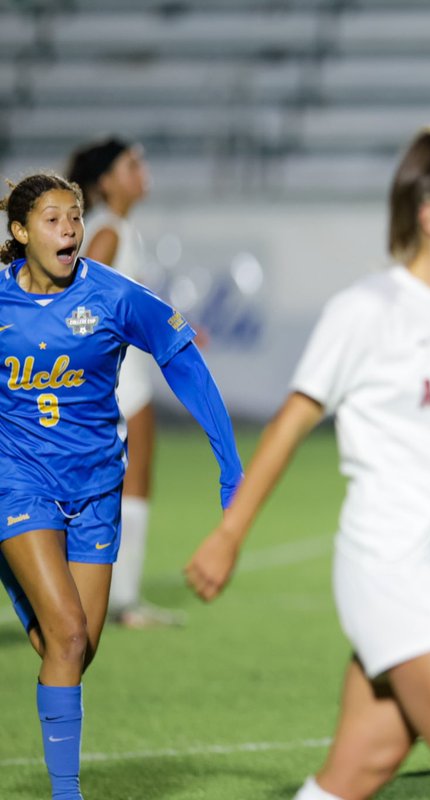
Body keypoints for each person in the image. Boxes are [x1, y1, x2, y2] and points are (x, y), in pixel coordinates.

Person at [184, 127, 430, 800]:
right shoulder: (369, 309)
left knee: (360, 768)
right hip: (398, 564)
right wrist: (229, 534)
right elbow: (291, 422)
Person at [0, 172, 242, 800]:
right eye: (54, 220)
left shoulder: (115, 296)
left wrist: (229, 463)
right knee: (69, 634)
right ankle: (66, 794)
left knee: (72, 648)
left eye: (75, 218)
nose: (71, 231)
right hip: (17, 481)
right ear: (21, 232)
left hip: (98, 488)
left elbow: (184, 358)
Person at [65, 136, 181, 629]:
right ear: (106, 181)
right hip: (117, 378)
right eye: (131, 164)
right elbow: (84, 309)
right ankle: (120, 600)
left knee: (122, 484)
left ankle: (112, 595)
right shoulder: (108, 230)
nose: (142, 170)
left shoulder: (113, 228)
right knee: (132, 483)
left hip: (116, 374)